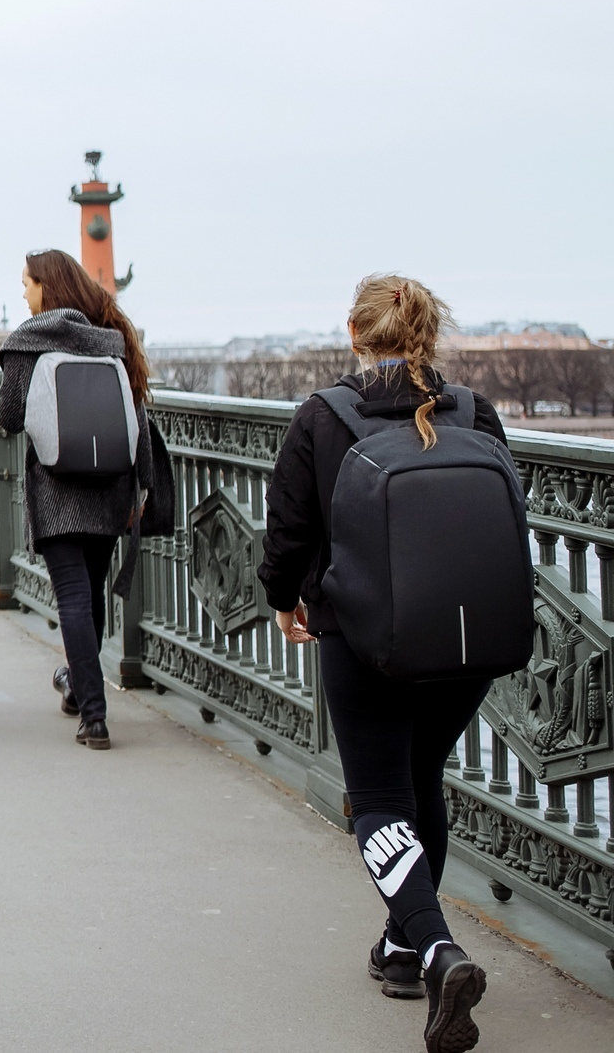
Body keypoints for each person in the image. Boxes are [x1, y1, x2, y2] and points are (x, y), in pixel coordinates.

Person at [259, 275, 505, 1046]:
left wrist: (282, 597)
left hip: (364, 638)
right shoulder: (474, 409)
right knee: (420, 777)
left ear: (354, 331)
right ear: (429, 332)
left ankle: (434, 949)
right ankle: (402, 948)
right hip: (466, 640)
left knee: (375, 800)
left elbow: (289, 530)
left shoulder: (322, 416)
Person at [0, 249, 152, 749]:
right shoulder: (110, 338)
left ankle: (95, 714)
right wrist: (141, 486)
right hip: (111, 489)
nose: (22, 292)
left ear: (46, 287)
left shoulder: (30, 340)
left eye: (26, 283)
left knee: (73, 600)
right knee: (90, 592)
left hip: (58, 491)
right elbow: (138, 419)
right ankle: (78, 690)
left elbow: (9, 417)